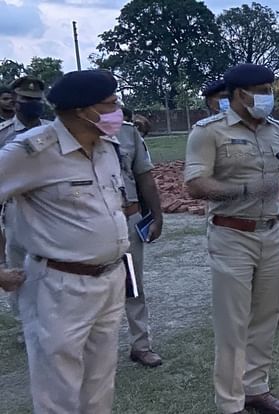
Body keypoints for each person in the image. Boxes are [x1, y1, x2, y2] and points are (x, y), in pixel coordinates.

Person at [0, 69, 130, 413]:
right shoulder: (33, 150)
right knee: (58, 386)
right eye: (110, 104)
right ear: (81, 110)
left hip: (111, 277)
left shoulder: (107, 146)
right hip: (59, 285)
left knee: (100, 381)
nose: (118, 111)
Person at [185, 63, 279, 414]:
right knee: (232, 323)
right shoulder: (208, 132)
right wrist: (242, 189)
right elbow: (195, 184)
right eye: (261, 91)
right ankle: (231, 403)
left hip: (271, 232)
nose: (268, 97)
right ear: (239, 94)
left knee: (266, 315)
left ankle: (255, 388)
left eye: (269, 90)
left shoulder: (276, 130)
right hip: (231, 234)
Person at [201, 78, 279, 329]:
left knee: (269, 272)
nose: (225, 102)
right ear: (210, 104)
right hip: (228, 217)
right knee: (236, 274)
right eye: (220, 99)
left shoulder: (274, 128)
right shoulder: (208, 133)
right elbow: (202, 181)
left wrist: (266, 197)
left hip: (265, 217)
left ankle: (278, 310)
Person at [0, 76, 50, 344]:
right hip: (15, 207)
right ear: (15, 101)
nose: (33, 104)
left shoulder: (54, 131)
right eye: (27, 99)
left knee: (52, 266)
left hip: (50, 208)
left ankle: (51, 321)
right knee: (19, 268)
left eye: (37, 100)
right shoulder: (4, 134)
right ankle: (25, 325)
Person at [117, 108, 165, 367]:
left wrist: (157, 216)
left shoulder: (127, 133)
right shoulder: (65, 136)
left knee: (132, 284)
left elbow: (145, 178)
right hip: (86, 228)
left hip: (126, 220)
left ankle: (141, 345)